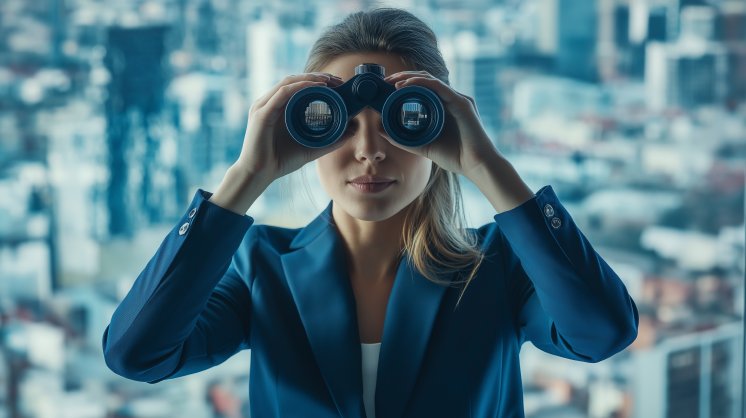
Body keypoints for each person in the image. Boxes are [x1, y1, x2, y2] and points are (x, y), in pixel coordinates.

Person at [102, 7, 639, 418]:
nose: (369, 150)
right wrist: (248, 176)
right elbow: (137, 354)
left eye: (403, 121)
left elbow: (601, 334)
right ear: (303, 131)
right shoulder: (260, 266)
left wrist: (485, 164)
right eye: (333, 122)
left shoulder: (499, 267)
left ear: (440, 128)